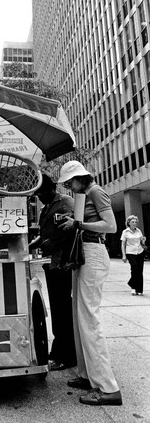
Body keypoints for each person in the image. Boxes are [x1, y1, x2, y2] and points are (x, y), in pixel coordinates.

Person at [57, 160, 122, 406]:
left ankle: (107, 387)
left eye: (70, 182)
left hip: (93, 252)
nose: (69, 187)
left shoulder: (95, 191)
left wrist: (78, 223)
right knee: (79, 318)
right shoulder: (86, 194)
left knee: (88, 319)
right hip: (85, 253)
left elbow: (111, 226)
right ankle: (88, 375)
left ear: (81, 177)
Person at [28, 174, 77, 370]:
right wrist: (30, 246)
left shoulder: (65, 202)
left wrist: (53, 241)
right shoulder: (45, 208)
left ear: (52, 189)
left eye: (42, 192)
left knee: (63, 308)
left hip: (63, 262)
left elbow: (73, 227)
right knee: (56, 308)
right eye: (37, 194)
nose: (40, 197)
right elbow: (43, 235)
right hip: (51, 263)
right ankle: (58, 349)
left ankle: (68, 354)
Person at [121, 215, 146, 296]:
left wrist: (143, 240)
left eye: (135, 222)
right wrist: (124, 255)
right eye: (133, 222)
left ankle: (139, 290)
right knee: (134, 268)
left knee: (140, 271)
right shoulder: (125, 232)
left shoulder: (139, 231)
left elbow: (142, 243)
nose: (134, 223)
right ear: (129, 223)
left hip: (140, 252)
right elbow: (123, 244)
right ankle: (133, 287)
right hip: (130, 252)